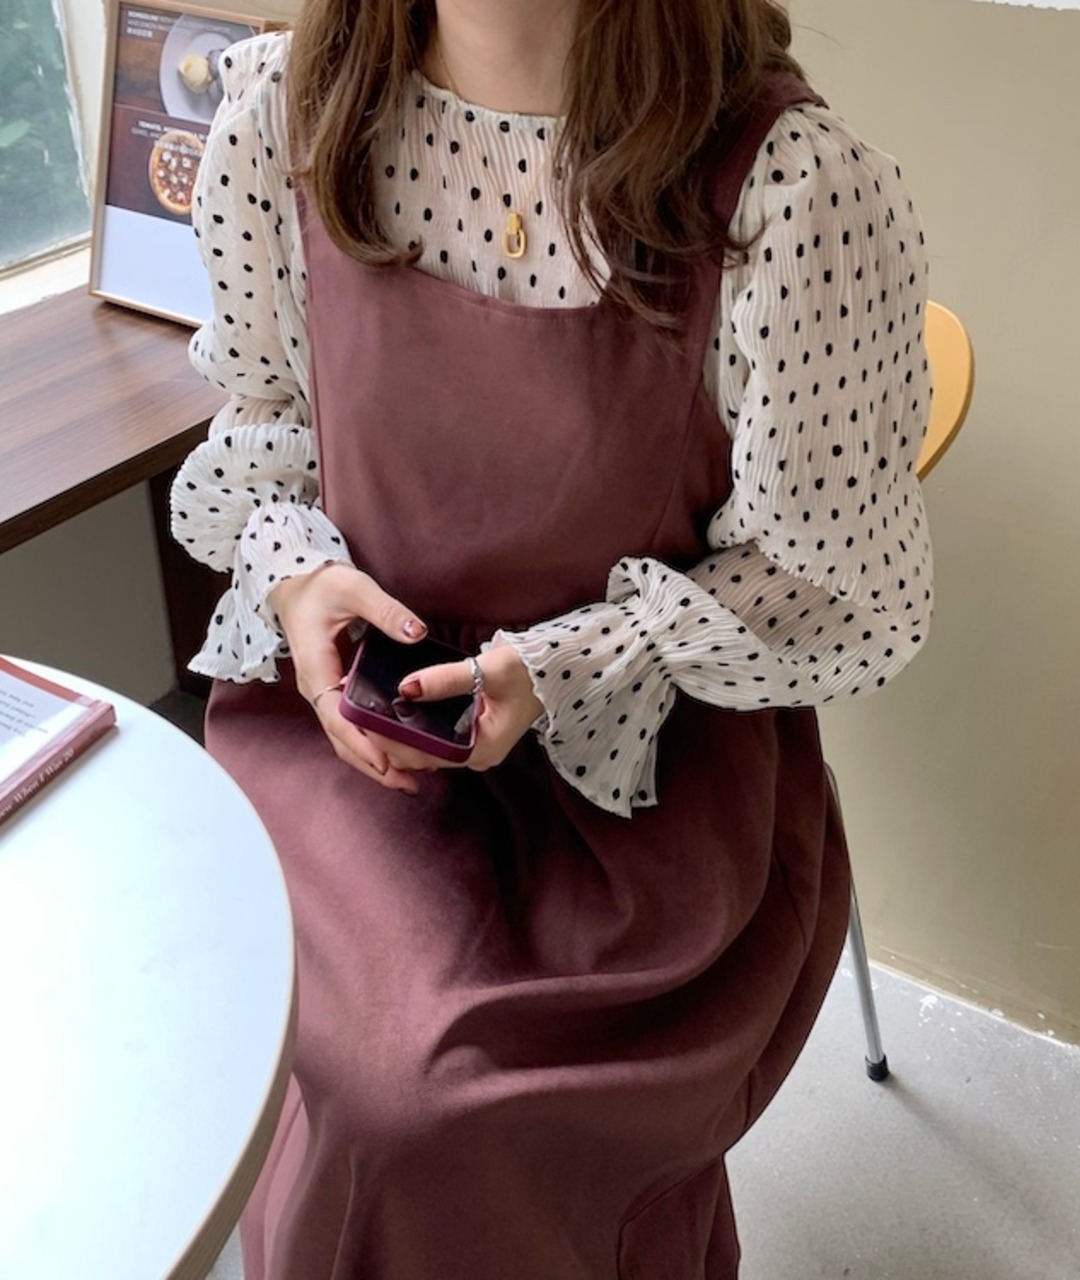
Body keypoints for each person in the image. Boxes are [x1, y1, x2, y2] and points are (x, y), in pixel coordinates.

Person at [171, 0, 932, 1275]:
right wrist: (297, 577)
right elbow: (264, 430)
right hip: (351, 743)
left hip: (638, 791)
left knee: (425, 1112)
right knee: (285, 1039)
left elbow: (822, 579)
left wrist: (565, 663)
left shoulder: (789, 195)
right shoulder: (284, 120)